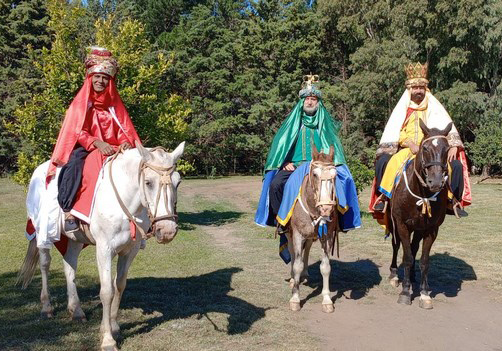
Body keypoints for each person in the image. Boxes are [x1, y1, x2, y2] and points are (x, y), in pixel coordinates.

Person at [255, 75, 360, 261]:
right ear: (302, 101)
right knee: (275, 185)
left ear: (318, 102)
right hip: (294, 167)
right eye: (308, 99)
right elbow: (281, 147)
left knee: (344, 181)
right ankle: (283, 223)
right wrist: (283, 163)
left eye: (314, 99)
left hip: (319, 166)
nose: (310, 102)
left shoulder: (324, 124)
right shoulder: (293, 123)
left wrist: (329, 163)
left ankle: (341, 223)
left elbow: (332, 147)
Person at [48, 47, 141, 231]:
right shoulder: (80, 104)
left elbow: (123, 127)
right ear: (90, 78)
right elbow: (77, 130)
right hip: (86, 146)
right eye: (97, 77)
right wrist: (97, 143)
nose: (100, 81)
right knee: (74, 164)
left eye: (105, 78)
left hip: (114, 148)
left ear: (110, 81)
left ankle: (139, 217)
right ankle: (68, 211)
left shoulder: (114, 105)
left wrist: (124, 141)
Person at [370, 62, 471, 216]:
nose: (418, 91)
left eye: (421, 88)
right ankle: (385, 197)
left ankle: (452, 201)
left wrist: (453, 145)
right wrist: (409, 143)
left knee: (455, 166)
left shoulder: (434, 108)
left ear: (426, 89)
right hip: (408, 149)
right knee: (389, 163)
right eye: (415, 88)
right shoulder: (404, 108)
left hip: (432, 151)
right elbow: (398, 131)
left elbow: (444, 129)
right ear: (410, 89)